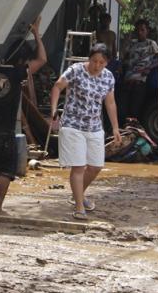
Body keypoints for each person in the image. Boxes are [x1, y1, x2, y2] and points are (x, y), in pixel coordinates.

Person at [0, 17, 46, 216]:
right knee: (5, 172)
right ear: (23, 59)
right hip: (6, 131)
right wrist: (36, 34)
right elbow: (42, 60)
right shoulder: (18, 73)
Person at [49, 42, 122, 220]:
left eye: (101, 62)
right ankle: (79, 206)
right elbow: (58, 86)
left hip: (95, 126)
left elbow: (110, 103)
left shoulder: (108, 77)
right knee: (79, 166)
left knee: (96, 166)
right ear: (89, 59)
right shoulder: (75, 70)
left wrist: (115, 127)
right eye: (94, 61)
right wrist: (53, 112)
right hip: (73, 124)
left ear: (107, 63)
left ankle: (78, 194)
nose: (97, 65)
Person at [119, 18, 158, 123]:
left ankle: (133, 132)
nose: (139, 32)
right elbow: (125, 59)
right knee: (123, 109)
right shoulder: (132, 43)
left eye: (142, 30)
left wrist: (148, 69)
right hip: (128, 79)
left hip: (140, 80)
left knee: (135, 110)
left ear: (147, 31)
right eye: (137, 30)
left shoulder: (151, 44)